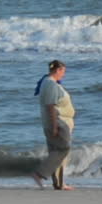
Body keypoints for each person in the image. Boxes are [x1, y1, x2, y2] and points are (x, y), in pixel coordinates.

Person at [31, 60, 76, 190]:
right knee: (63, 149)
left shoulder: (47, 82)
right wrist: (55, 126)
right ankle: (39, 174)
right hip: (58, 122)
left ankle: (59, 183)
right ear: (57, 70)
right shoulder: (50, 84)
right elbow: (50, 107)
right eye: (63, 72)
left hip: (58, 122)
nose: (64, 75)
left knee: (56, 151)